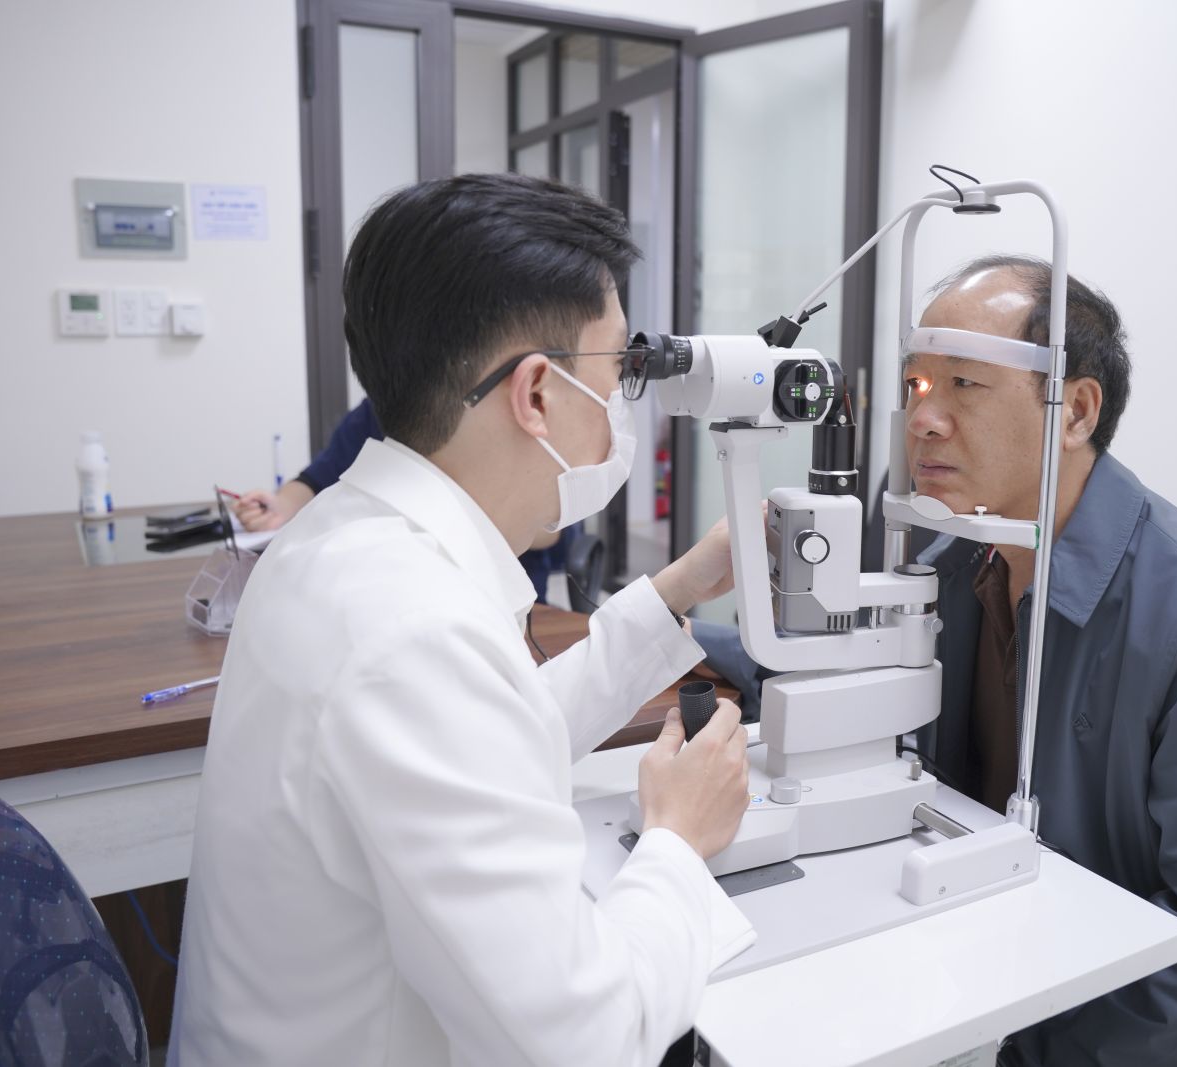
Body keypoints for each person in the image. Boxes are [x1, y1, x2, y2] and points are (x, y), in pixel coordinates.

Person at [169, 173, 754, 1066]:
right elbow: (590, 1040)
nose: (623, 408)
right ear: (537, 394)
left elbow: (491, 732)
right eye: (620, 372)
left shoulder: (340, 541)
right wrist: (679, 837)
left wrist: (679, 585)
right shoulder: (413, 635)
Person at [698, 255, 1177, 1066]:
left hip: (1161, 1033)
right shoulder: (946, 550)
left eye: (965, 384)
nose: (924, 419)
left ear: (1076, 411)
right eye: (917, 384)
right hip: (1004, 965)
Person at [232, 397, 579, 602]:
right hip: (395, 596)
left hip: (507, 605)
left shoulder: (511, 413)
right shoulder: (383, 410)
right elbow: (317, 478)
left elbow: (549, 530)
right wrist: (281, 506)